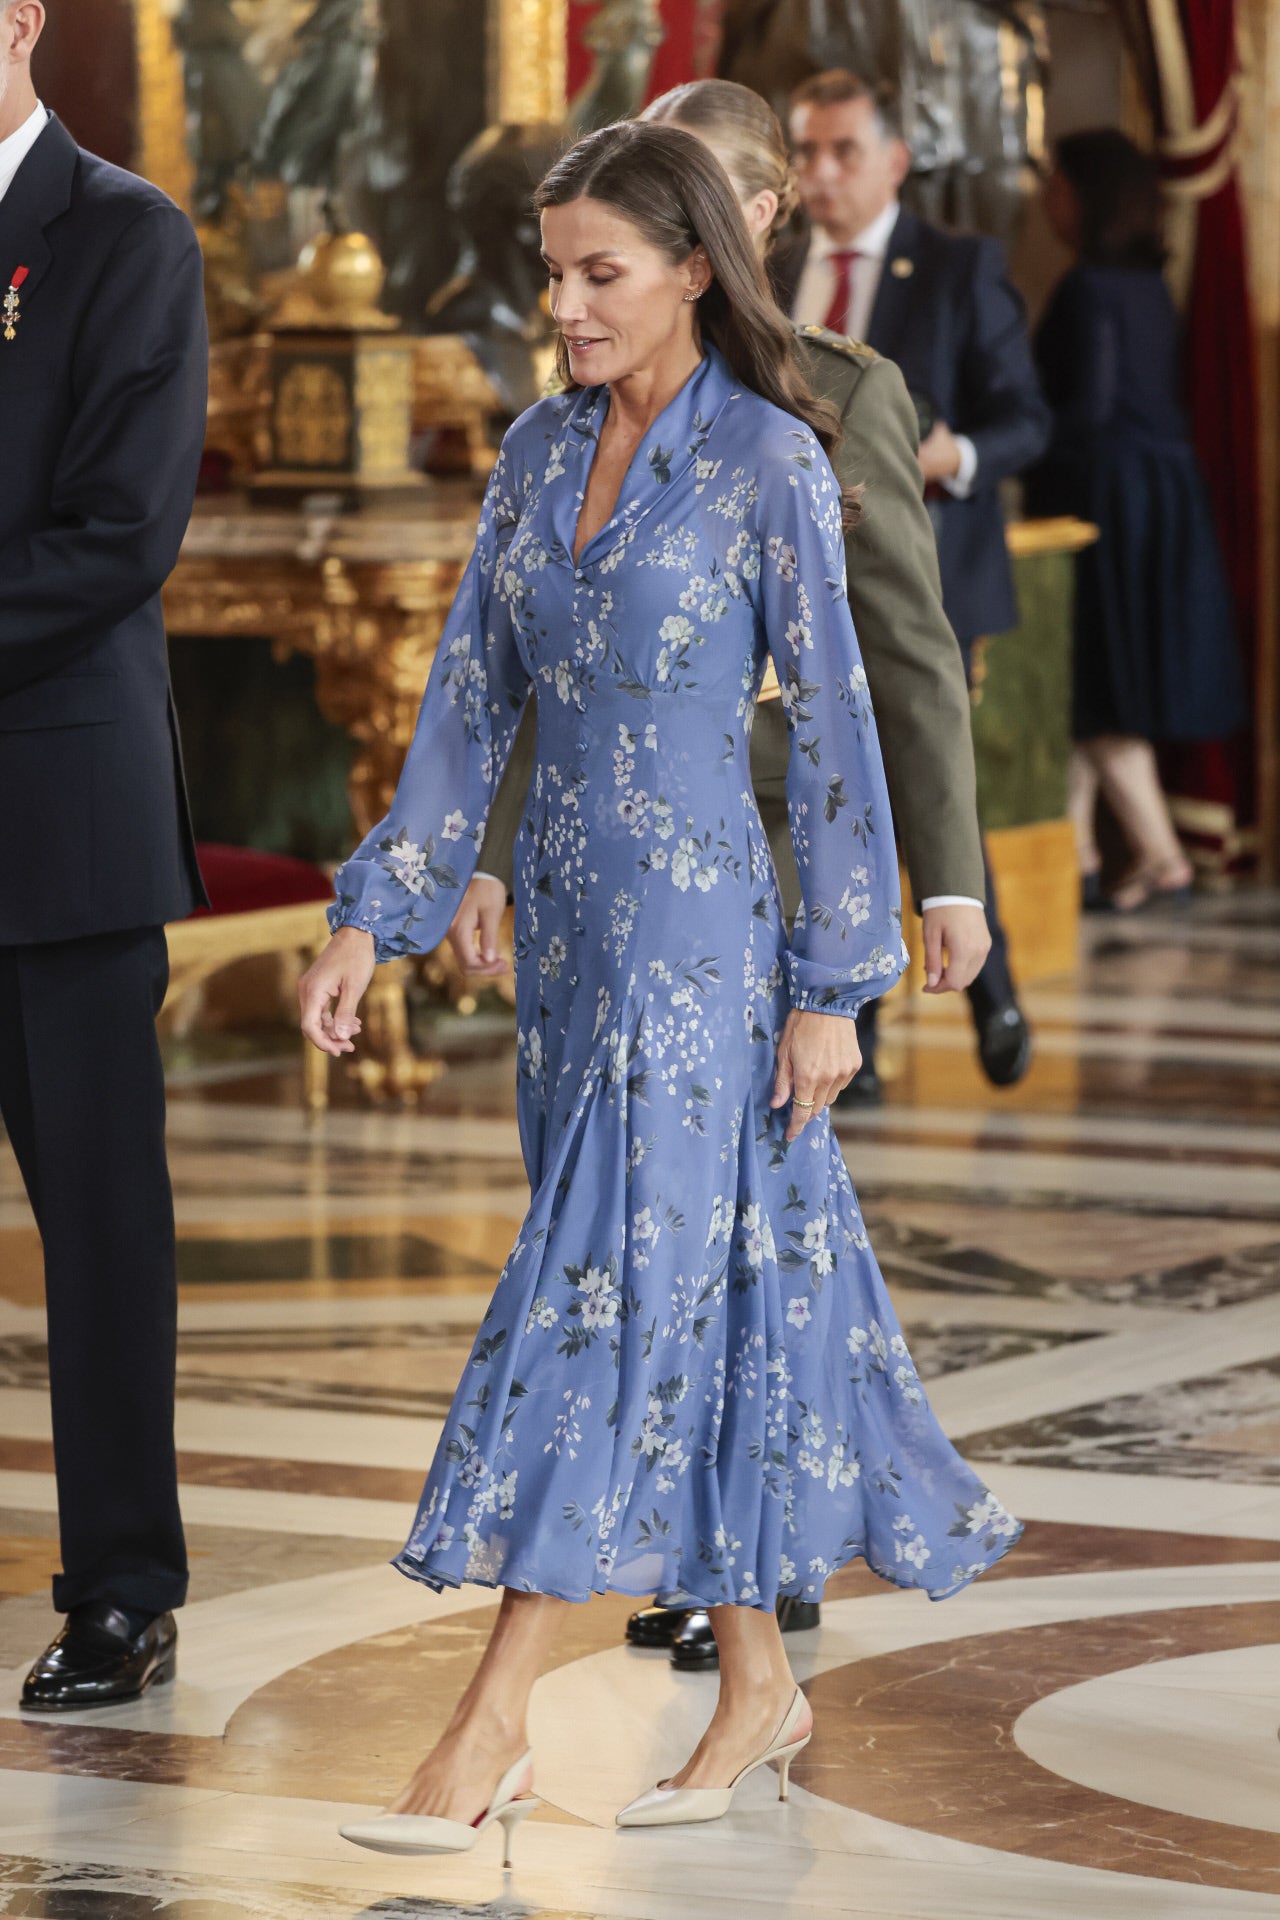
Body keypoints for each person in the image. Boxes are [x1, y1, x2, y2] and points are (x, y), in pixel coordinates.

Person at [300, 119, 1019, 1863]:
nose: (564, 305)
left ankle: (485, 1731)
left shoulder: (774, 459)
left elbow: (841, 718)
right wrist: (371, 915)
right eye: (553, 273)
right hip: (566, 947)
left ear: (696, 267)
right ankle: (757, 1682)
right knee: (708, 1304)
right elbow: (470, 692)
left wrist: (842, 978)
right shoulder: (539, 455)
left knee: (598, 1307)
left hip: (709, 950)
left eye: (598, 273)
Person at [450, 76, 992, 1673]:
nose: (568, 303)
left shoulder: (833, 403)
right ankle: (751, 1628)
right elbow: (528, 665)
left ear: (730, 229)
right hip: (587, 894)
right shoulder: (559, 427)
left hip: (761, 886)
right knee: (745, 1245)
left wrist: (933, 889)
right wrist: (475, 857)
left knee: (645, 1249)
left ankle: (509, 1704)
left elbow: (895, 658)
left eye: (601, 265)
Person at [0, 1, 209, 1708]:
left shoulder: (125, 236)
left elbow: (118, 534)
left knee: (99, 1227)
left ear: (20, 19)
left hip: (56, 828)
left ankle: (123, 1590)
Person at [778, 67, 1052, 1089]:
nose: (821, 172)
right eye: (804, 151)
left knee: (909, 775)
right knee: (833, 782)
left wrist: (945, 457)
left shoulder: (955, 267)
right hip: (799, 587)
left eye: (842, 150)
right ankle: (863, 1026)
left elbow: (1026, 418)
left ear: (891, 160)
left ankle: (985, 983)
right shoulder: (770, 266)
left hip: (925, 578)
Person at [1027, 129, 1247, 912]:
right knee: (1091, 685)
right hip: (1158, 501)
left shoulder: (1089, 289)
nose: (1045, 199)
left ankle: (1157, 853)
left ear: (1084, 195)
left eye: (1054, 182)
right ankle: (1081, 854)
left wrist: (1012, 443)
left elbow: (1085, 413)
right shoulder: (1150, 286)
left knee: (1097, 685)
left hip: (1106, 504)